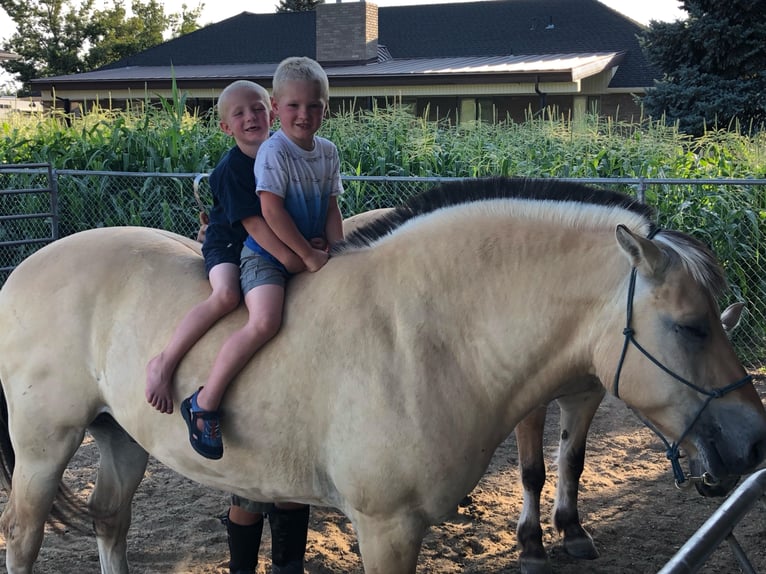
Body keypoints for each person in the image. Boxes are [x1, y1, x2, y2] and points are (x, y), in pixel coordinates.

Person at [144, 80, 311, 574]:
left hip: (269, 252)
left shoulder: (285, 154)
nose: (252, 117)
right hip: (230, 248)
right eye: (240, 114)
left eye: (259, 108)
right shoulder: (233, 169)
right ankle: (167, 362)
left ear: (273, 111)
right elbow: (258, 227)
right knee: (226, 295)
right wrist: (302, 257)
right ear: (226, 124)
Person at [180, 55, 344, 461]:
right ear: (278, 108)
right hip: (265, 257)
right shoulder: (273, 153)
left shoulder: (327, 152)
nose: (304, 115)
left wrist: (340, 252)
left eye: (313, 106)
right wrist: (302, 255)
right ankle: (205, 401)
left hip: (308, 248)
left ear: (326, 107)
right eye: (293, 106)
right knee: (265, 320)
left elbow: (331, 208)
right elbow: (269, 212)